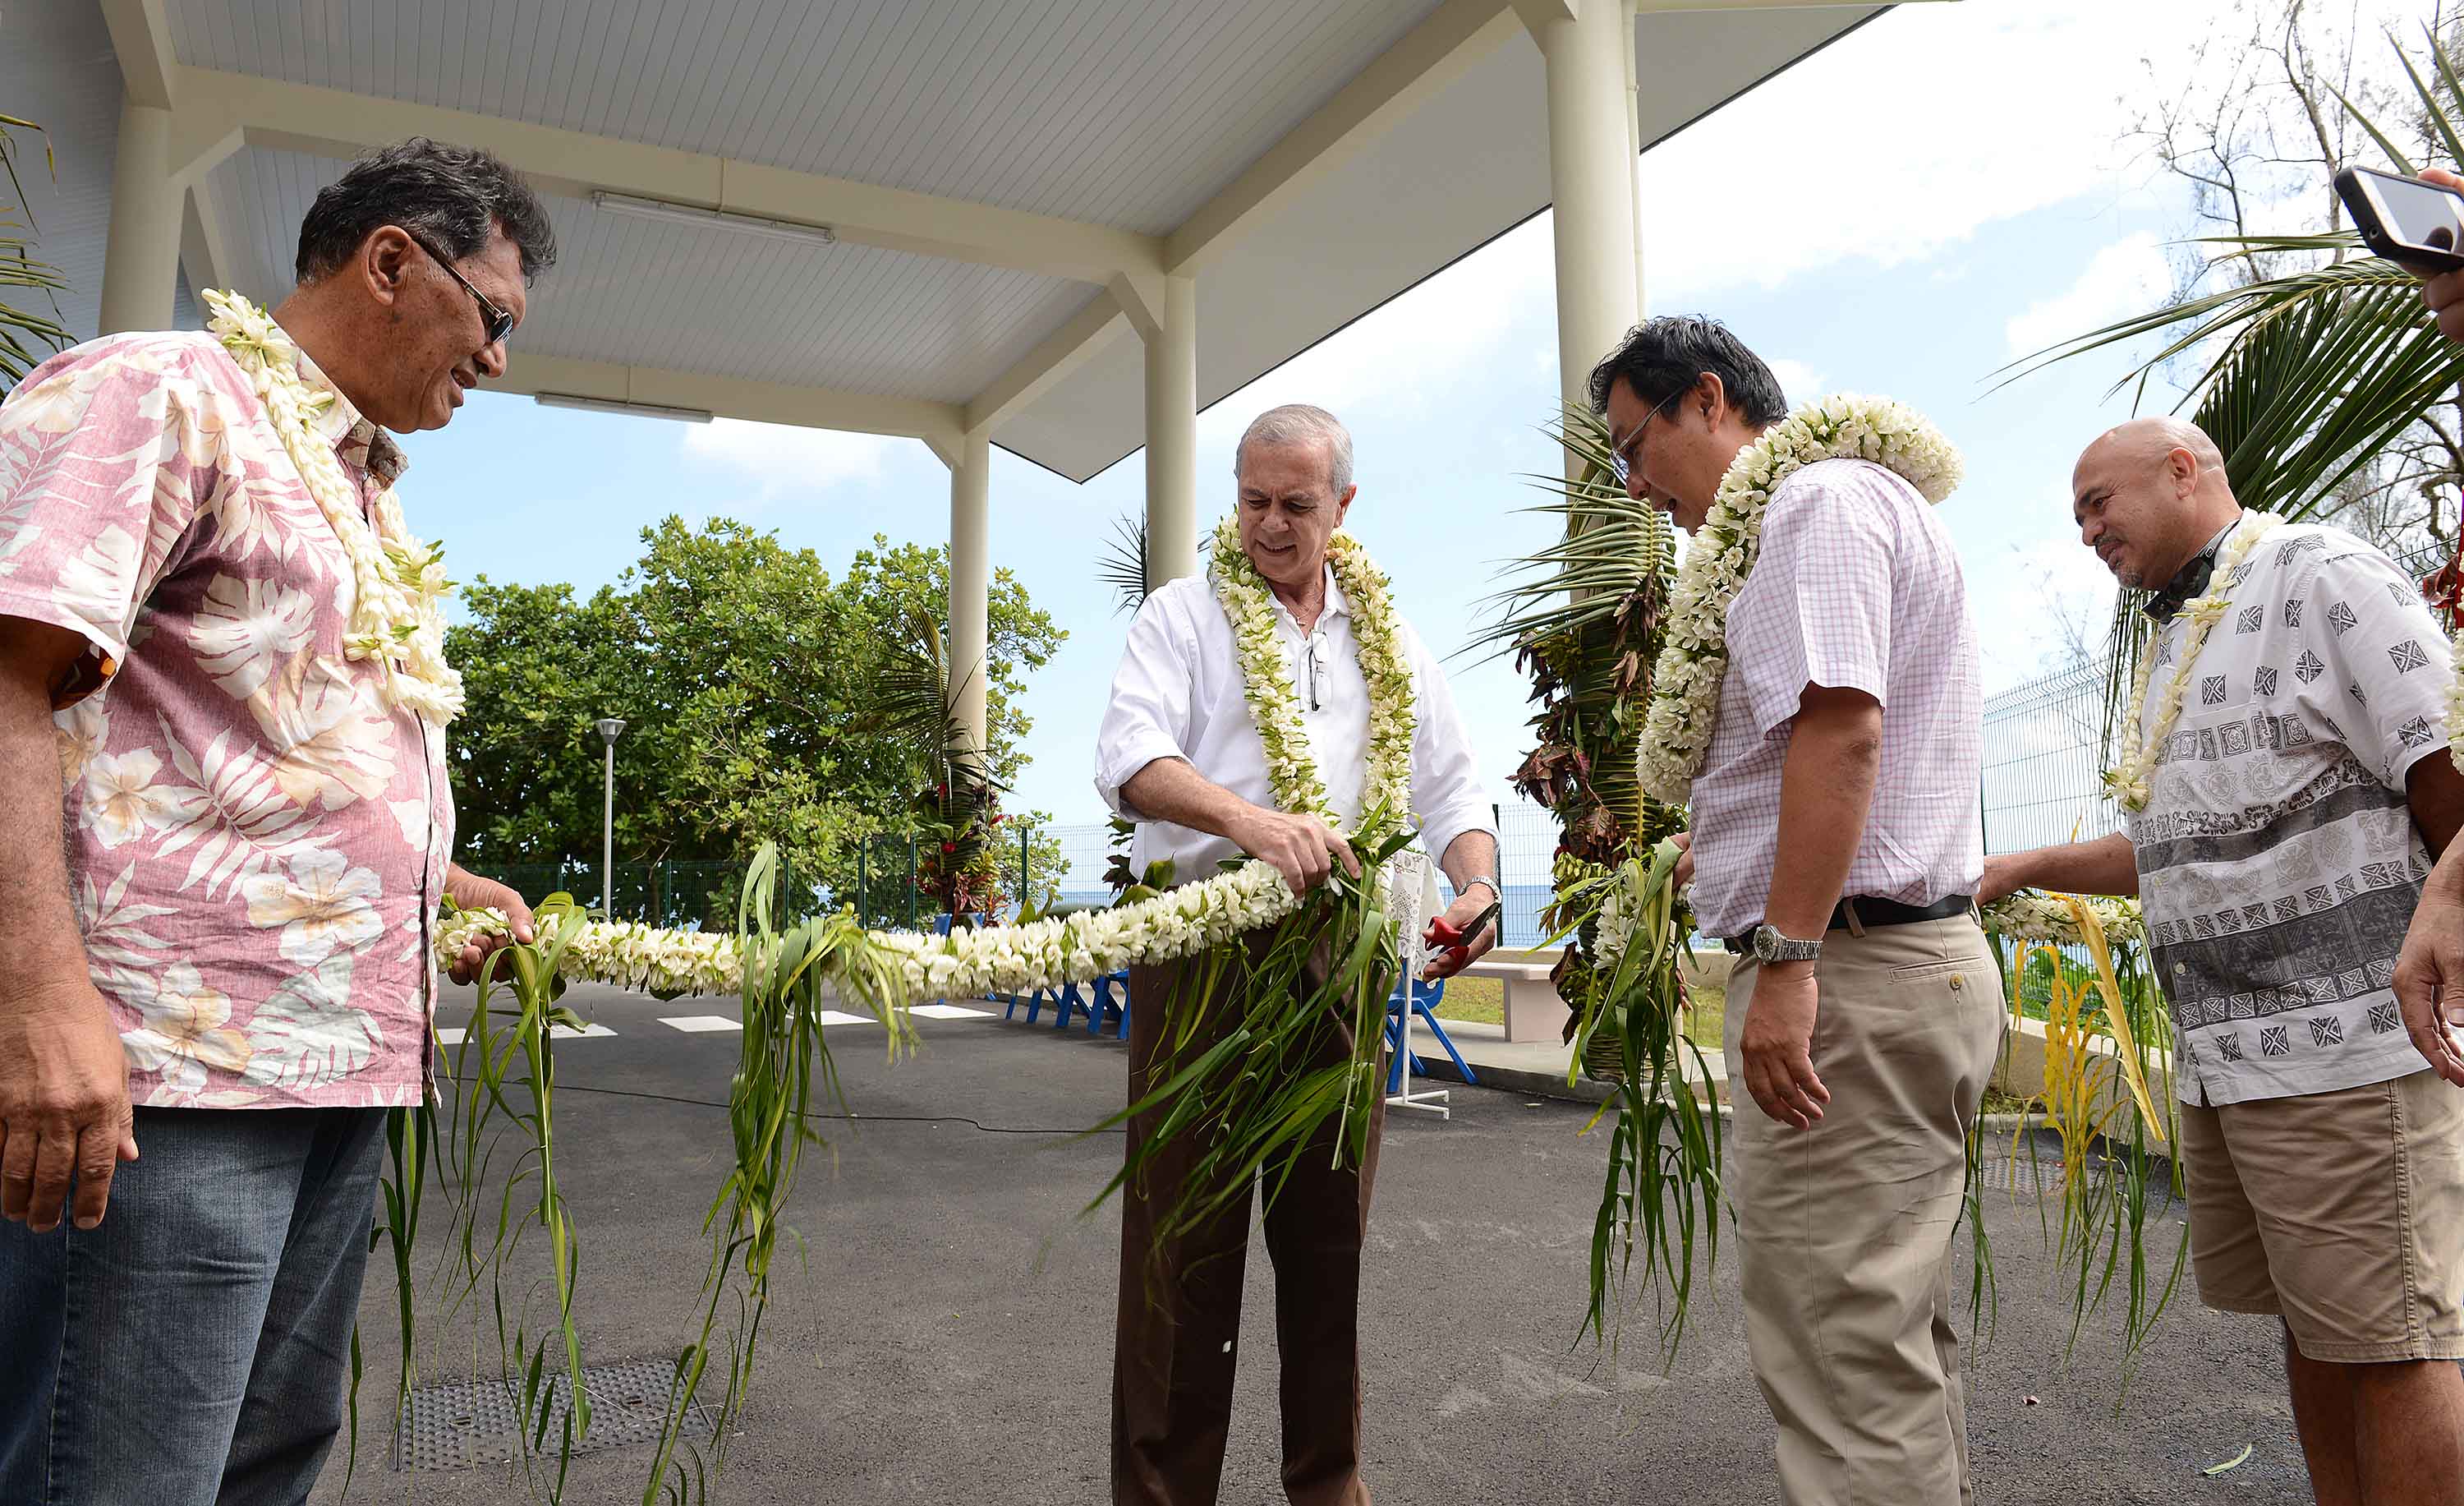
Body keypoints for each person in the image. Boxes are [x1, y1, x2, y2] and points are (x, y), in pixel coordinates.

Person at [0, 137, 554, 1503]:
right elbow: (7, 679)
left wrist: (437, 880)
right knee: (126, 1474)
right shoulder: (163, 391)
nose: (495, 361)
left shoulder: (356, 485)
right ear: (390, 264)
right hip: (168, 1073)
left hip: (335, 1069)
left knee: (264, 1463)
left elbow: (255, 759)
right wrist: (38, 994)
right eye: (494, 317)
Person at [1984, 416, 2464, 1506]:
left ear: (2185, 469)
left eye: (2099, 502)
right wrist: (2015, 865)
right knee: (2320, 1329)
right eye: (2077, 518)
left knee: (2394, 1341)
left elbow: (2450, 762)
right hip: (2232, 1066)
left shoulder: (2322, 573)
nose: (2088, 532)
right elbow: (2178, 850)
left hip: (2352, 1054)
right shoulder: (2180, 636)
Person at [1593, 316, 1999, 1505]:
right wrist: (1716, 862)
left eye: (1633, 445)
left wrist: (1785, 954)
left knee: (1840, 1353)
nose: (1633, 483)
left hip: (1854, 980)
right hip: (1903, 960)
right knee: (1885, 1336)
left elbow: (1841, 727)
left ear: (1707, 400)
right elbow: (1818, 747)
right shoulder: (1861, 501)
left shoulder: (1812, 507)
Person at [1093, 403, 1499, 1506]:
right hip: (1206, 955)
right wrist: (1253, 823)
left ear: (1344, 506)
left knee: (1331, 1254)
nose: (1270, 526)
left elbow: (1454, 788)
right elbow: (1132, 757)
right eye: (1251, 501)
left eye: (1296, 504)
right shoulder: (1184, 616)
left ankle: (1330, 1488)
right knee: (1184, 1254)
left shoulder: (1388, 638)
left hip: (1339, 967)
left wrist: (1478, 881)